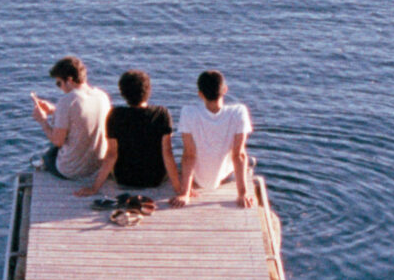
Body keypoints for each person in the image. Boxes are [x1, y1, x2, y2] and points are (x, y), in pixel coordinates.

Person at [88, 69, 180, 202]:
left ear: (123, 93)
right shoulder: (161, 114)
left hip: (124, 178)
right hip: (155, 178)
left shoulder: (115, 115)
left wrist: (94, 188)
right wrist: (178, 189)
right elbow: (168, 153)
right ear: (148, 90)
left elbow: (111, 155)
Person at [174, 69, 254, 208]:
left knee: (184, 157)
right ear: (225, 90)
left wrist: (185, 193)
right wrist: (242, 194)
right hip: (225, 178)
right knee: (250, 161)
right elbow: (239, 155)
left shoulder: (188, 112)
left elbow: (189, 155)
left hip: (198, 181)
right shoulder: (239, 111)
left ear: (200, 94)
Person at [32, 57, 110, 181]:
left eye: (59, 83)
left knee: (49, 152)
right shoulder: (102, 96)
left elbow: (58, 141)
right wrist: (54, 110)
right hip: (97, 166)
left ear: (69, 80)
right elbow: (81, 116)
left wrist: (42, 120)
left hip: (72, 171)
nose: (60, 88)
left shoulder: (67, 101)